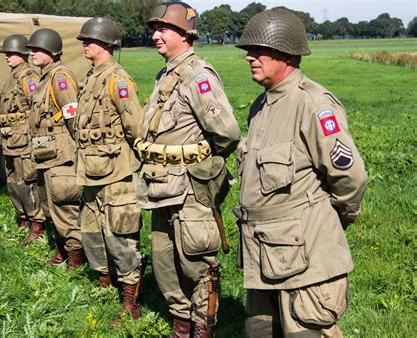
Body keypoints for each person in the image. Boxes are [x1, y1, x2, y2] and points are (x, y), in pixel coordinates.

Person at [234, 9, 367, 337]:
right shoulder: (261, 106)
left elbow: (351, 177)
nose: (250, 57)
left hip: (304, 263)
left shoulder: (313, 104)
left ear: (286, 54)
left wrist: (329, 223)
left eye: (259, 50)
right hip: (263, 254)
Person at [136, 2, 241, 336]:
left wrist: (200, 165)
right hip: (159, 187)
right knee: (165, 263)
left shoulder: (198, 76)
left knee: (197, 265)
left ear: (185, 34)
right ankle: (181, 325)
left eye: (163, 29)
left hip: (190, 192)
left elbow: (226, 133)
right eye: (155, 29)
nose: (155, 36)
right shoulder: (165, 75)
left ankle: (202, 328)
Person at [74, 17, 144, 326]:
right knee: (92, 232)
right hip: (90, 172)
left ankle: (131, 302)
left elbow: (136, 128)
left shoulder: (118, 80)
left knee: (120, 237)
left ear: (107, 44)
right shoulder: (91, 77)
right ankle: (105, 286)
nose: (84, 44)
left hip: (116, 174)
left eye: (89, 40)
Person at [26, 28, 83, 270]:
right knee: (50, 206)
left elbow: (73, 116)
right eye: (31, 49)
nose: (32, 54)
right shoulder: (45, 77)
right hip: (46, 156)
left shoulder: (60, 78)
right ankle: (62, 250)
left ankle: (76, 259)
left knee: (64, 207)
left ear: (51, 51)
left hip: (61, 157)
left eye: (38, 49)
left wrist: (77, 149)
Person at [0, 34, 45, 240]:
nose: (7, 57)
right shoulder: (13, 76)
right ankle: (23, 216)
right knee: (13, 181)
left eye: (11, 53)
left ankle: (37, 222)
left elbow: (36, 109)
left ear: (22, 55)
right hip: (9, 138)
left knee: (28, 180)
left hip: (23, 139)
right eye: (6, 53)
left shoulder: (29, 78)